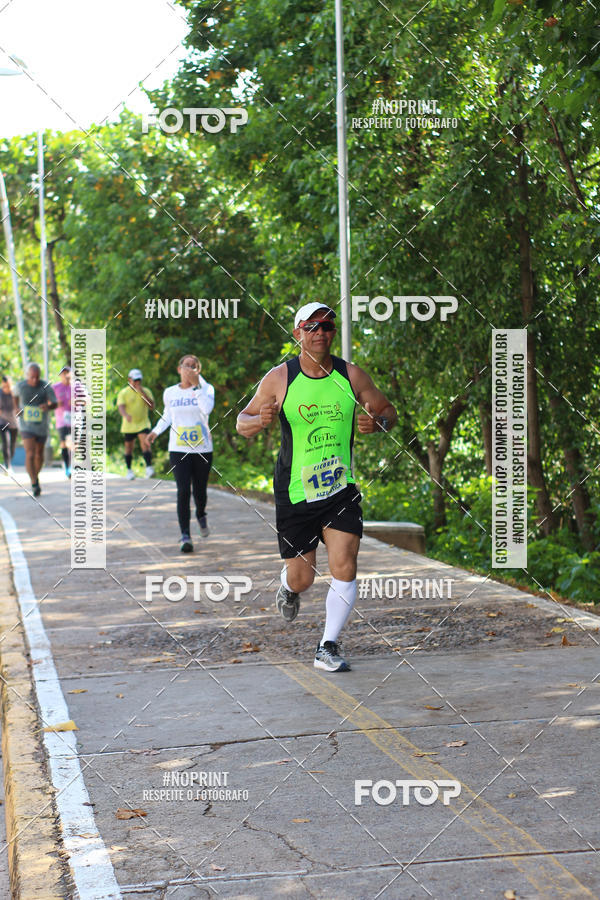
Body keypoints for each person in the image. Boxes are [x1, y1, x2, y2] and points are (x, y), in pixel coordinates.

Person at [237, 302, 397, 672]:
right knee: (303, 576)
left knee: (345, 562)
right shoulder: (280, 378)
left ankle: (328, 645)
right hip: (295, 490)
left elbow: (387, 410)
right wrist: (258, 421)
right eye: (312, 327)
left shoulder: (351, 375)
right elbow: (241, 423)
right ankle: (289, 586)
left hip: (340, 487)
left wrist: (380, 424)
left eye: (327, 326)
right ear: (298, 334)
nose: (321, 333)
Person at [148, 355, 214, 553]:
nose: (190, 369)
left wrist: (197, 387)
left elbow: (206, 409)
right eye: (187, 366)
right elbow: (168, 415)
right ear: (179, 369)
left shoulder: (206, 389)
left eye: (194, 366)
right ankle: (185, 535)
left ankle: (201, 514)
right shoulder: (170, 392)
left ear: (198, 370)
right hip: (178, 449)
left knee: (200, 492)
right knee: (183, 490)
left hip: (202, 449)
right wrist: (155, 431)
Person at [13, 363, 58, 497]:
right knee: (30, 453)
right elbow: (14, 396)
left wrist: (48, 406)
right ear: (27, 375)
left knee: (39, 454)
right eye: (32, 377)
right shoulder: (20, 386)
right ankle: (33, 482)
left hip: (41, 425)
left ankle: (35, 476)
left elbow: (55, 403)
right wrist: (16, 408)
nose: (35, 380)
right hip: (26, 425)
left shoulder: (45, 386)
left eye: (37, 377)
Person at [117, 369, 155, 480]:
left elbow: (151, 406)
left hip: (143, 423)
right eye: (135, 380)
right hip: (129, 425)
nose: (137, 383)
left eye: (139, 380)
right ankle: (129, 470)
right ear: (129, 380)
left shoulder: (146, 391)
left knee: (145, 443)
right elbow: (121, 407)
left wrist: (142, 392)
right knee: (128, 448)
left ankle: (149, 468)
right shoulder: (124, 393)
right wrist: (125, 415)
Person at [53, 366, 73, 478]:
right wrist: (55, 403)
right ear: (60, 376)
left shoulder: (76, 387)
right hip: (61, 421)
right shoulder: (55, 387)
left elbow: (87, 399)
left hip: (74, 420)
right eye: (63, 373)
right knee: (65, 443)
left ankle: (69, 465)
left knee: (71, 444)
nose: (65, 375)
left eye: (67, 373)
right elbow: (48, 401)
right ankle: (67, 467)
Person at [0, 375, 18, 475]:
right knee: (5, 442)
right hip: (2, 421)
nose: (6, 387)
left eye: (8, 385)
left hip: (14, 422)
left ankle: (9, 462)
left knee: (12, 445)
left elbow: (18, 407)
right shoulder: (0, 393)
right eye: (5, 386)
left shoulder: (14, 393)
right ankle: (8, 466)